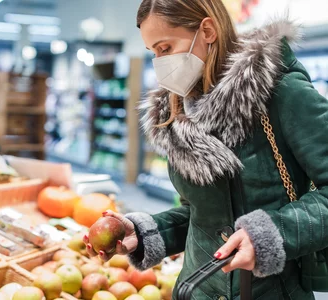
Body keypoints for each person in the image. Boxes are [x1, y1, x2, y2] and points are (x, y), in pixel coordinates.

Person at [84, 0, 328, 299]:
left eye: (165, 48)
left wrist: (272, 233)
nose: (160, 64)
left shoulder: (281, 94)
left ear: (208, 30)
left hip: (270, 289)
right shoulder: (177, 116)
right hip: (198, 287)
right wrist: (148, 233)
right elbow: (204, 218)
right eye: (153, 53)